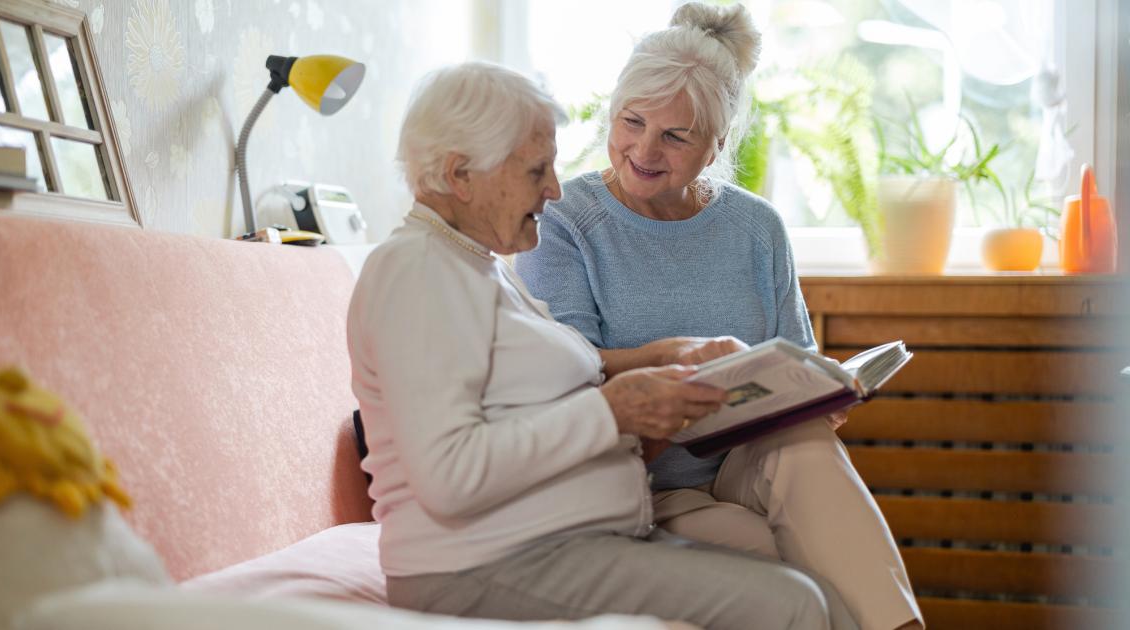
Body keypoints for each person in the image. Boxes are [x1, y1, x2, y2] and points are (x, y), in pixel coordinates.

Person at [347, 61, 860, 630]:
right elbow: (448, 477)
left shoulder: (473, 267)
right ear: (461, 174)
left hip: (557, 543)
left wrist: (661, 358)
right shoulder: (417, 270)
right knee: (793, 603)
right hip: (484, 565)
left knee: (814, 592)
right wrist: (614, 409)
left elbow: (531, 384)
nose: (555, 189)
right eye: (537, 169)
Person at [515, 4, 922, 630]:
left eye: (675, 136)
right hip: (645, 481)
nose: (644, 150)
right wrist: (675, 353)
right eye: (632, 122)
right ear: (612, 114)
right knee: (813, 580)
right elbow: (570, 368)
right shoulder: (567, 220)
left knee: (807, 443)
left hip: (748, 462)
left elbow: (795, 360)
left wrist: (822, 394)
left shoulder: (757, 228)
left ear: (716, 144)